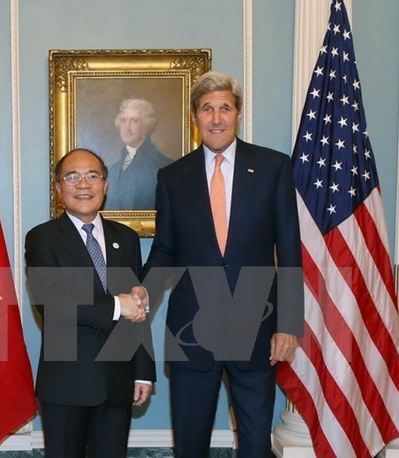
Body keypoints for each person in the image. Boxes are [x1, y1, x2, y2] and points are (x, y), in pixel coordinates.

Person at [144, 72, 304, 457]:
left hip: (256, 325)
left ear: (238, 114)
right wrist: (142, 290)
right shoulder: (172, 176)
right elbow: (165, 249)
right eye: (207, 109)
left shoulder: (273, 167)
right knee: (190, 442)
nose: (216, 118)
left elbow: (289, 251)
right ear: (194, 117)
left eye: (225, 108)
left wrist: (288, 325)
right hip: (191, 328)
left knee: (254, 442)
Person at [25, 148, 156, 458]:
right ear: (58, 188)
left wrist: (142, 370)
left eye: (92, 176)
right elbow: (51, 300)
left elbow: (136, 308)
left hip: (117, 383)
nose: (83, 184)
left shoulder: (125, 238)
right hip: (67, 384)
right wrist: (114, 306)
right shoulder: (43, 238)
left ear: (105, 185)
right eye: (72, 177)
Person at [104, 98, 173, 210]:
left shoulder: (164, 167)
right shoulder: (113, 170)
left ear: (147, 126)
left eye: (134, 121)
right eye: (123, 121)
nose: (127, 128)